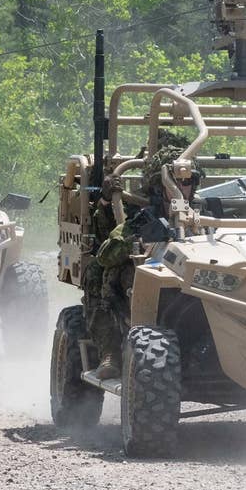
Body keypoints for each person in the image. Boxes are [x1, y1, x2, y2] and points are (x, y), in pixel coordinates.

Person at [87, 140, 204, 380]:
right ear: (160, 186)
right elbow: (106, 255)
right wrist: (135, 233)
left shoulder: (205, 213)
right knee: (103, 275)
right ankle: (110, 352)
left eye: (188, 181)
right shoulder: (144, 217)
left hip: (200, 280)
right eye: (177, 181)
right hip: (152, 278)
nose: (183, 188)